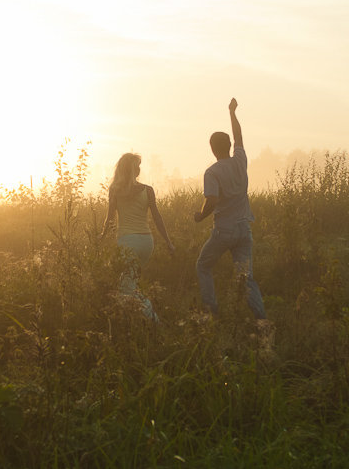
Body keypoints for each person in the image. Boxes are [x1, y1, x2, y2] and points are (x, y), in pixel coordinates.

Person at [193, 98, 268, 322]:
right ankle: (261, 320)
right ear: (228, 147)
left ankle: (211, 310)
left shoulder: (212, 172)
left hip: (223, 231)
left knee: (203, 266)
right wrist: (232, 112)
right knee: (246, 278)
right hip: (244, 229)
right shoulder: (240, 161)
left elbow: (213, 201)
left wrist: (200, 216)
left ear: (212, 149)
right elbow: (239, 136)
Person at [102, 152, 176, 320]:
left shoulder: (115, 190)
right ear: (133, 170)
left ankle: (154, 321)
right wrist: (168, 242)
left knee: (126, 288)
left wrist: (100, 237)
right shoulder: (147, 190)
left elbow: (110, 219)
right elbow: (157, 218)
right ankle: (134, 321)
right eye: (138, 166)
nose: (140, 169)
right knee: (130, 283)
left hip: (128, 242)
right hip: (146, 243)